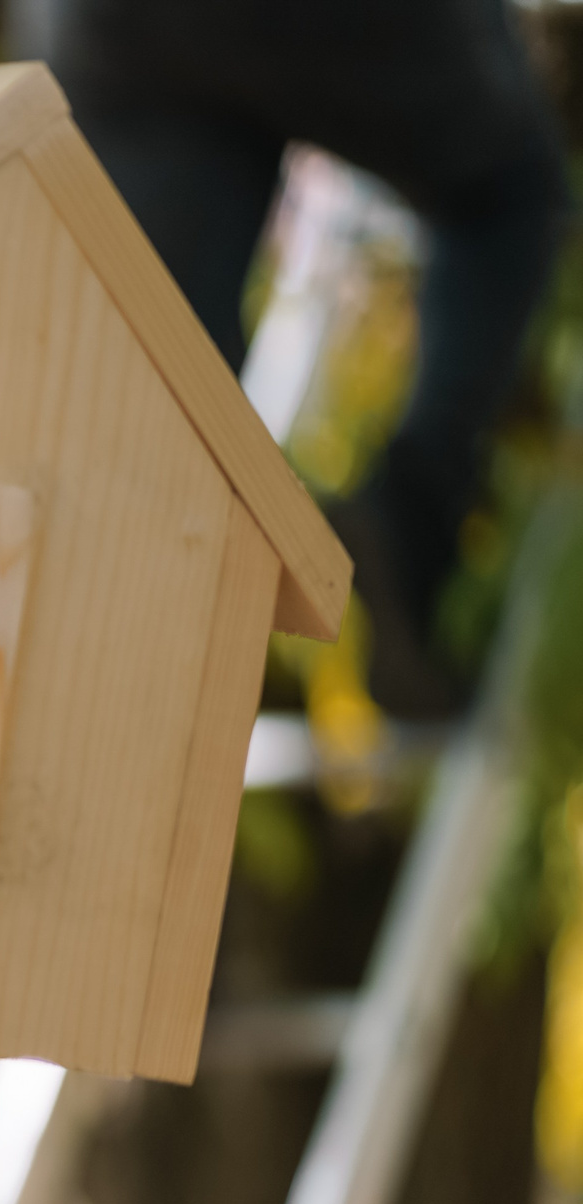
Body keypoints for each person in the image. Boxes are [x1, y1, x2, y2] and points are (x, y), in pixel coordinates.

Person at [33, 0, 570, 715]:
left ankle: (98, 694)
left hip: (109, 26)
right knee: (511, 195)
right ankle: (410, 519)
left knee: (152, 376)